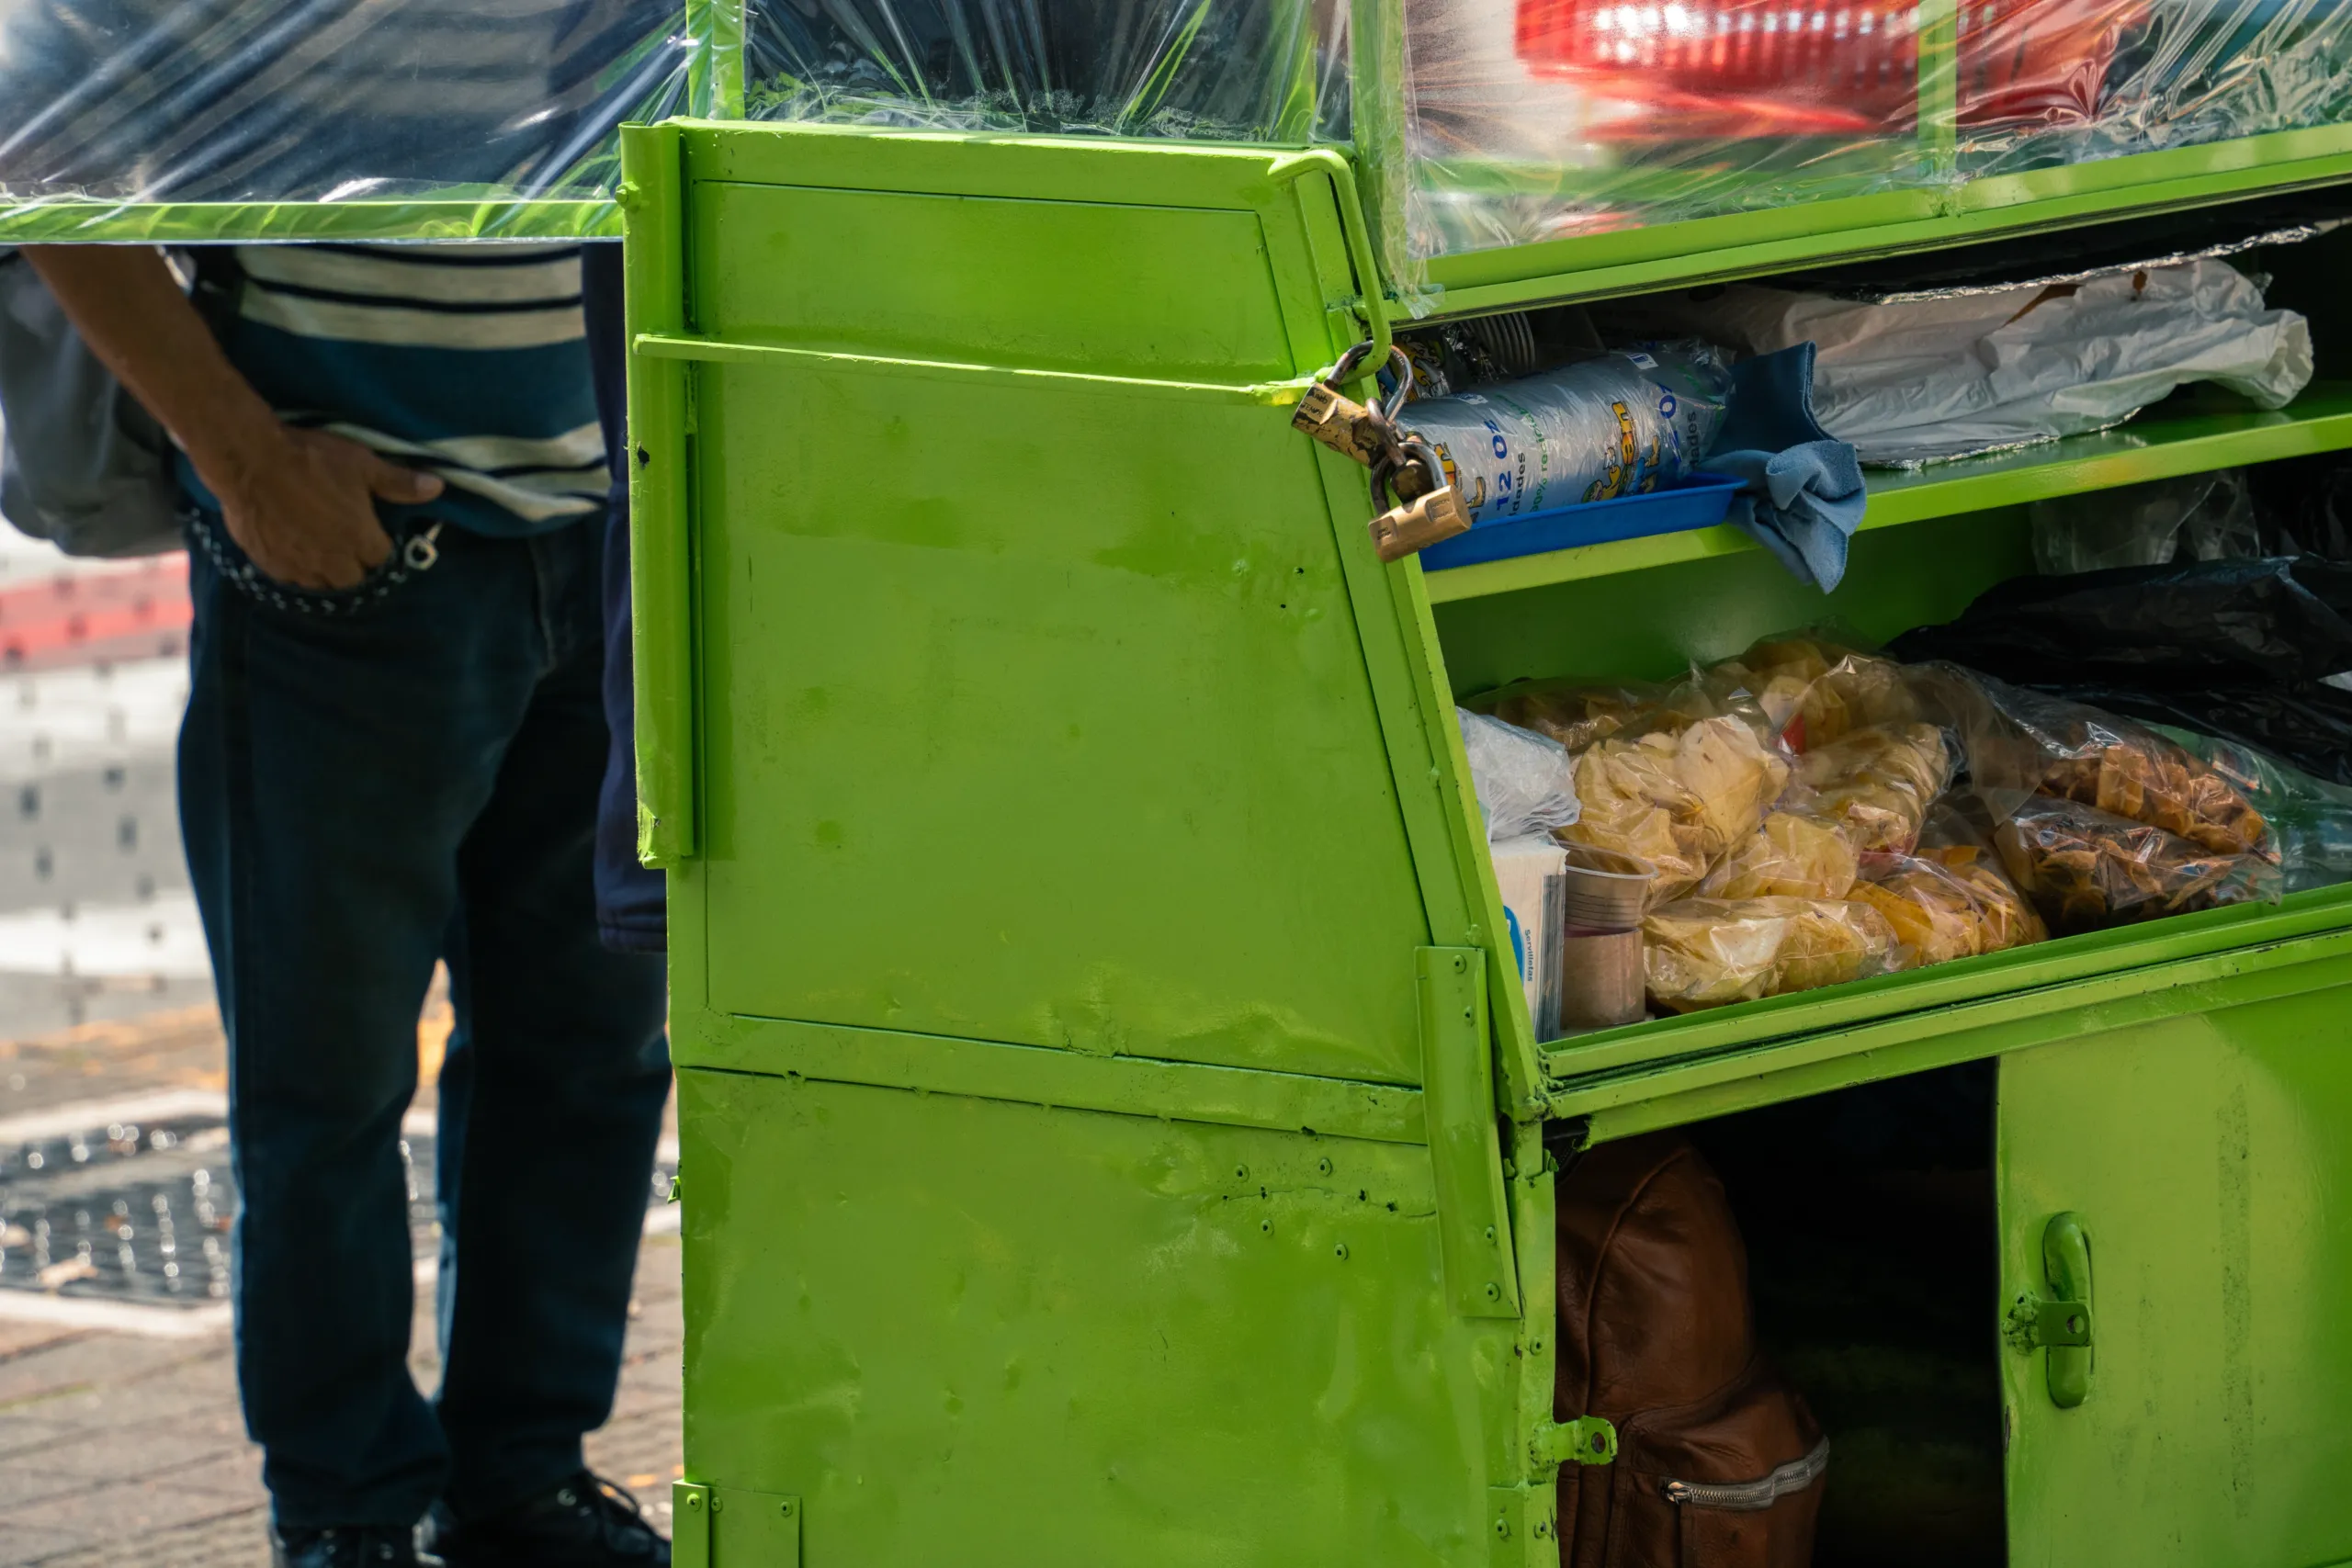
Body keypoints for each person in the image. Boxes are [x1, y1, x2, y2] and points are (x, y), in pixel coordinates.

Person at [24, 238, 673, 1568]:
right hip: (348, 543)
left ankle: (522, 1477)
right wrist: (248, 464)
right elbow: (41, 156)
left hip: (622, 527)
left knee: (593, 1054)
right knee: (324, 1079)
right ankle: (345, 1504)